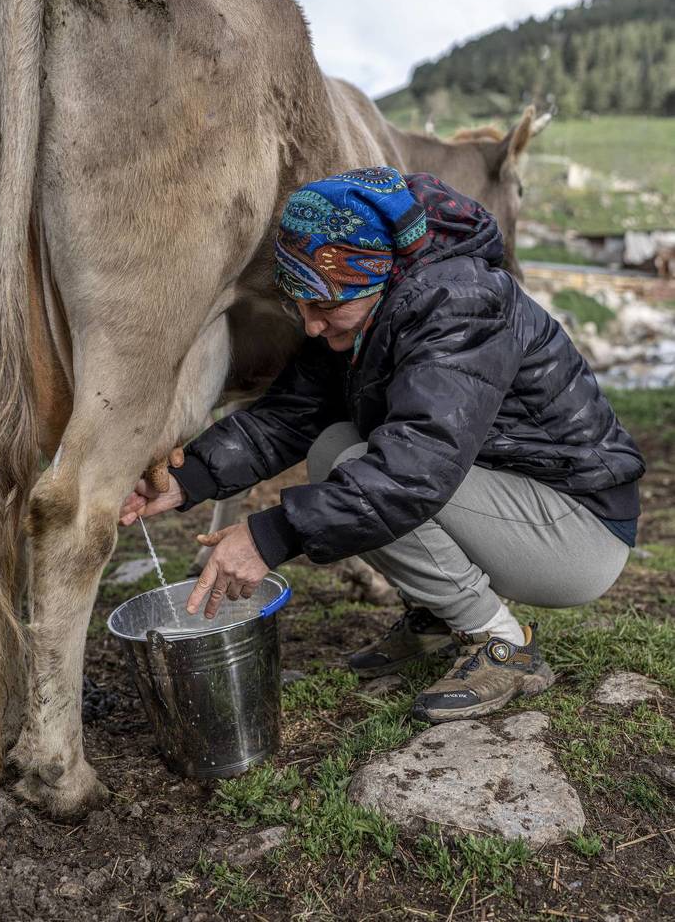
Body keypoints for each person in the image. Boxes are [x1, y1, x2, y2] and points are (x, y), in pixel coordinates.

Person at [119, 166, 645, 724]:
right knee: (332, 447)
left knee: (360, 464)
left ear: (373, 277)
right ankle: (436, 615)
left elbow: (414, 471)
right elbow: (292, 414)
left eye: (322, 305)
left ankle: (503, 645)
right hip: (509, 497)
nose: (311, 325)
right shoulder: (371, 304)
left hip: (578, 531)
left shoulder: (461, 303)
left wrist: (269, 536)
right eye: (300, 304)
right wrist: (187, 479)